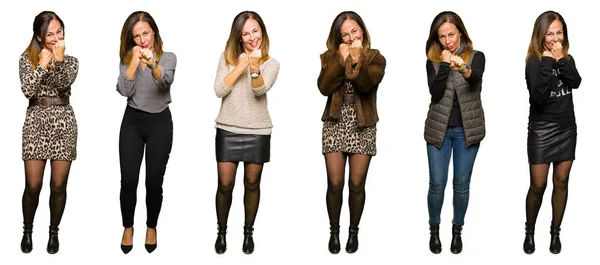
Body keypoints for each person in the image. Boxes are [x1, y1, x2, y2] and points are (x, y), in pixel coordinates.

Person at [317, 11, 386, 254]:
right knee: (335, 183)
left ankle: (353, 231)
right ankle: (334, 230)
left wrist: (357, 61)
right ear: (337, 38)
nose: (350, 37)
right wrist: (339, 60)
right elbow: (324, 87)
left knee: (356, 184)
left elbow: (367, 85)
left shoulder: (376, 58)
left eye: (354, 31)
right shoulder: (329, 56)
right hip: (335, 123)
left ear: (362, 31)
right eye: (344, 34)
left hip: (362, 124)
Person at [212, 10, 279, 255]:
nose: (252, 37)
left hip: (258, 131)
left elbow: (259, 90)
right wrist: (240, 65)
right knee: (225, 184)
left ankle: (248, 232)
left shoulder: (271, 63)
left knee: (252, 183)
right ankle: (221, 231)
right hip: (228, 128)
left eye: (255, 31)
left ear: (262, 31)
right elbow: (219, 90)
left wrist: (253, 66)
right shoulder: (227, 58)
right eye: (246, 33)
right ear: (238, 37)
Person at [423, 11, 486, 255]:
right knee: (437, 184)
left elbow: (475, 79)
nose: (448, 41)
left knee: (461, 185)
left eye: (451, 34)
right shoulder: (432, 61)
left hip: (467, 131)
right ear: (437, 40)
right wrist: (444, 65)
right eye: (442, 37)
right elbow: (435, 94)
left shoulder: (476, 57)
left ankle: (457, 230)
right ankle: (434, 230)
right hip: (438, 130)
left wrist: (462, 68)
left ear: (460, 31)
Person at [18, 10, 79, 255]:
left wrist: (59, 60)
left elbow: (63, 84)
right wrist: (42, 65)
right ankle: (28, 229)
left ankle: (54, 231)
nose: (55, 38)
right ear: (39, 36)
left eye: (59, 32)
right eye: (50, 33)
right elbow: (27, 90)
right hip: (35, 123)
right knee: (33, 185)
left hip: (63, 123)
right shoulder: (26, 59)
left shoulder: (72, 61)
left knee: (58, 185)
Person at [116, 11, 177, 254]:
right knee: (129, 181)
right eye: (137, 36)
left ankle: (151, 226)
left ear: (154, 32)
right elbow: (123, 89)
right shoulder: (126, 58)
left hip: (160, 123)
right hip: (132, 122)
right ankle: (128, 227)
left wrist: (153, 63)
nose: (143, 40)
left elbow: (165, 82)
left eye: (146, 33)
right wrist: (133, 62)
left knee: (154, 182)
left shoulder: (168, 57)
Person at [522, 10, 581, 255]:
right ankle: (530, 230)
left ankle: (555, 232)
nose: (555, 39)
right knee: (538, 184)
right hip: (541, 129)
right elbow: (538, 96)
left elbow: (576, 82)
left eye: (559, 33)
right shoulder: (533, 62)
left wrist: (561, 61)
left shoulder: (567, 58)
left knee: (562, 181)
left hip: (566, 127)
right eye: (550, 34)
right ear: (541, 35)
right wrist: (549, 61)